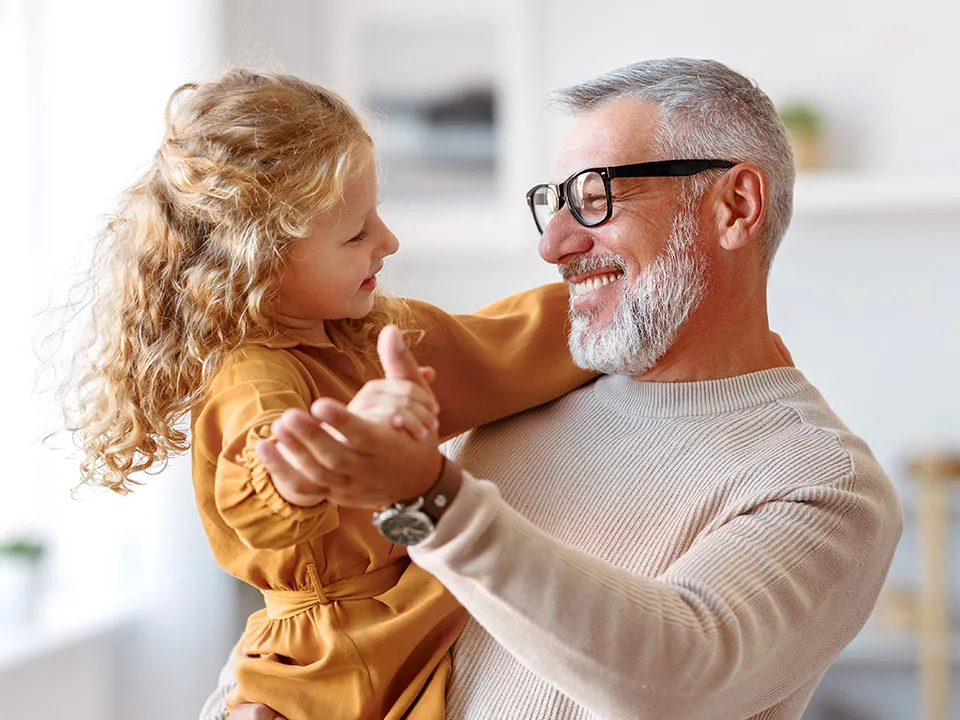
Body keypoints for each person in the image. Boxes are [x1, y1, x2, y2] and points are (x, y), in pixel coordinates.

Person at [213, 58, 903, 720]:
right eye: (554, 203)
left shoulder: (824, 484)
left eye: (596, 198)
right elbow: (357, 606)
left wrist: (428, 496)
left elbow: (674, 678)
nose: (554, 244)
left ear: (735, 205)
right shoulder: (529, 398)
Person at [60, 68, 596, 720]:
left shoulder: (368, 335)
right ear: (260, 259)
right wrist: (329, 451)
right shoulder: (253, 375)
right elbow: (260, 482)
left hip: (398, 619)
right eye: (356, 233)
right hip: (333, 667)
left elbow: (498, 345)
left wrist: (617, 307)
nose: (389, 241)